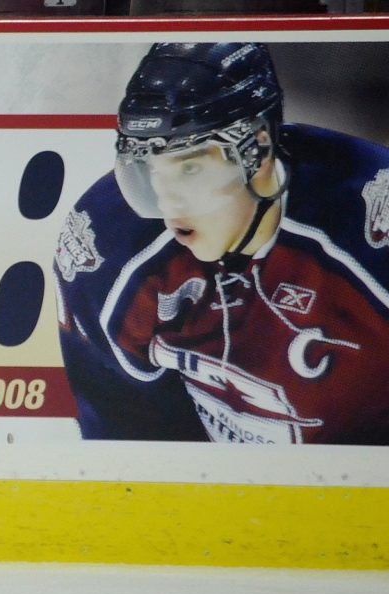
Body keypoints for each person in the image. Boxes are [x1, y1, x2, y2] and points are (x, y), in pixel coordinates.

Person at [54, 42, 389, 444]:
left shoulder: (369, 226)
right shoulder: (109, 247)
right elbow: (129, 438)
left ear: (259, 151)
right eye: (148, 169)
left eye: (190, 167)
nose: (169, 202)